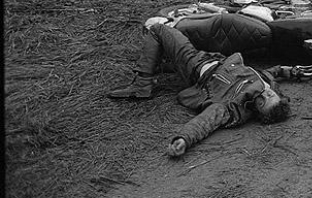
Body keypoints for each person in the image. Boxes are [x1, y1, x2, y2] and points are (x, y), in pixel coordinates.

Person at [107, 20, 292, 158]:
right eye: (270, 94)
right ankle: (162, 61)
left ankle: (142, 85)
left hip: (194, 65)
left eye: (262, 101)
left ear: (255, 109)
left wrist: (183, 140)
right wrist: (286, 71)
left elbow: (204, 123)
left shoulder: (230, 108)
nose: (264, 93)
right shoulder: (264, 84)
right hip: (216, 56)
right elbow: (267, 73)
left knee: (157, 29)